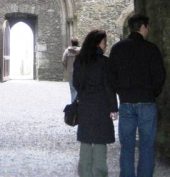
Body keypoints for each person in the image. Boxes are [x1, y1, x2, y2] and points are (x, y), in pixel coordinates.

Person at [108, 14, 166, 177]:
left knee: (127, 147)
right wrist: (153, 93)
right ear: (143, 27)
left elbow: (111, 76)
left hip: (126, 103)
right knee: (147, 146)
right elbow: (160, 75)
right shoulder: (151, 49)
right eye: (148, 27)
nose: (149, 30)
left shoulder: (117, 48)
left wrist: (121, 92)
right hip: (147, 103)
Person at [73, 29, 118, 177]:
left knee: (86, 141)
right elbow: (109, 87)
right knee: (99, 141)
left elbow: (76, 83)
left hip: (85, 105)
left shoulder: (79, 61)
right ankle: (98, 174)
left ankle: (85, 173)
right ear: (98, 43)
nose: (106, 45)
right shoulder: (105, 62)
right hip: (101, 107)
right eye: (105, 42)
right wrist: (113, 108)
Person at [62, 37, 81, 102]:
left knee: (72, 90)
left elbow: (63, 61)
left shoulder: (67, 51)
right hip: (80, 73)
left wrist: (68, 68)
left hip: (71, 73)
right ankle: (79, 104)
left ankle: (73, 104)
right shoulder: (81, 51)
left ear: (71, 43)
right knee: (80, 89)